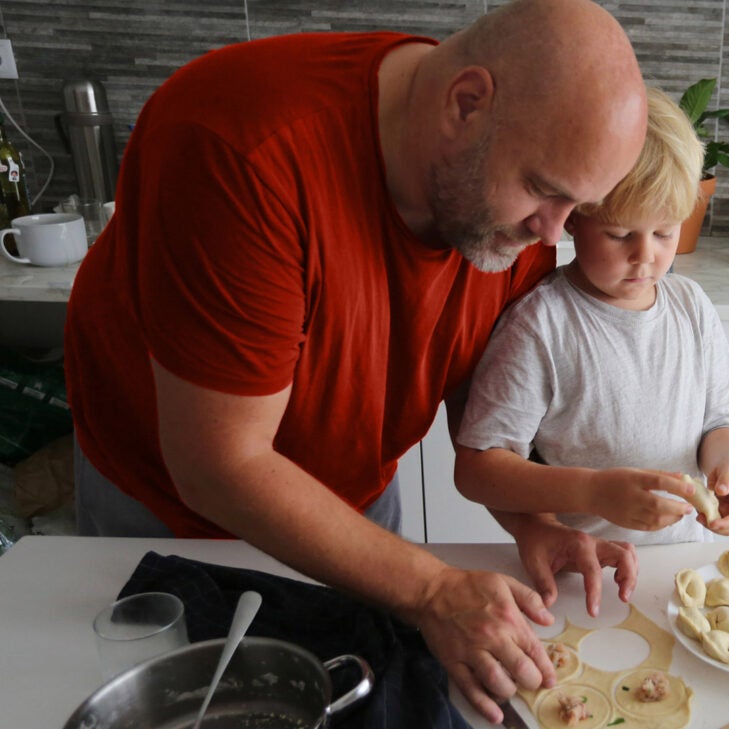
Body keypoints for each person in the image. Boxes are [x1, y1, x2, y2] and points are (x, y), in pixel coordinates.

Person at [61, 0, 648, 722]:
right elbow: (218, 463)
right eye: (544, 191)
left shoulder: (507, 201)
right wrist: (431, 588)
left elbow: (478, 400)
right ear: (466, 103)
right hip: (166, 510)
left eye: (576, 208)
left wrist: (533, 521)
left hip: (352, 499)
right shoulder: (242, 147)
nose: (549, 235)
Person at [453, 87, 729, 551]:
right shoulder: (541, 325)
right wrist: (591, 493)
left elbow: (722, 422)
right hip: (585, 565)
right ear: (572, 218)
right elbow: (477, 469)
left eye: (664, 232)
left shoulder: (691, 307)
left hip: (685, 558)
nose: (645, 256)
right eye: (619, 234)